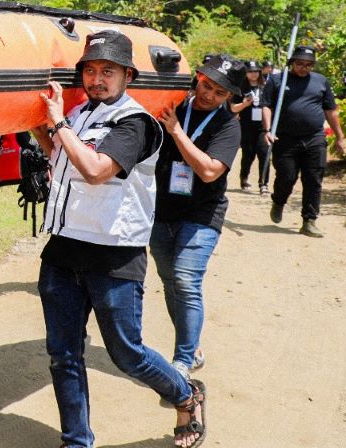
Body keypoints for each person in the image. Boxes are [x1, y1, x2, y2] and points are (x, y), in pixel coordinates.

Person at [32, 30, 207, 448]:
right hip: (63, 248)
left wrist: (56, 122)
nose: (97, 79)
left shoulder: (137, 123)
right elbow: (63, 159)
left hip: (114, 256)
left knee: (126, 353)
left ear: (127, 74)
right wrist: (41, 128)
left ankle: (185, 394)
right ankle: (77, 441)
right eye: (90, 71)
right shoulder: (79, 117)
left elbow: (94, 170)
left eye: (107, 71)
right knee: (63, 354)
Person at [150, 56, 244, 384]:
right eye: (207, 85)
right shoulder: (173, 104)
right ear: (199, 77)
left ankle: (183, 361)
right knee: (170, 281)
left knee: (186, 280)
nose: (209, 95)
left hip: (203, 214)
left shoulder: (228, 126)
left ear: (229, 98)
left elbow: (208, 171)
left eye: (219, 93)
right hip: (161, 211)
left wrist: (176, 132)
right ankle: (193, 347)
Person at [261, 45, 346, 238]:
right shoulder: (277, 80)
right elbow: (266, 105)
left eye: (309, 65)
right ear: (292, 62)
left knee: (313, 180)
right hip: (285, 139)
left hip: (314, 138)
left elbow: (330, 111)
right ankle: (279, 201)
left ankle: (309, 221)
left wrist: (340, 137)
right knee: (287, 177)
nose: (304, 68)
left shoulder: (321, 81)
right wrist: (268, 130)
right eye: (300, 63)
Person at [229, 60, 268, 193]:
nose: (253, 74)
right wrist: (245, 104)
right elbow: (233, 108)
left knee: (264, 153)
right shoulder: (240, 88)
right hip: (246, 125)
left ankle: (264, 183)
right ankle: (244, 178)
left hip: (263, 126)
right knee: (248, 154)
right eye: (250, 71)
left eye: (256, 71)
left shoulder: (266, 86)